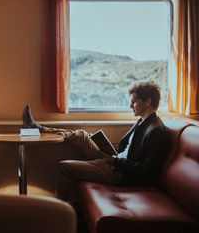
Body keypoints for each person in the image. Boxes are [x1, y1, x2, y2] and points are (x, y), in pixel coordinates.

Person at [22, 81, 170, 208]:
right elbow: (127, 148)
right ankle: (39, 129)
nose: (131, 105)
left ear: (148, 101)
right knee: (81, 135)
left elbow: (146, 171)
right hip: (116, 161)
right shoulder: (142, 121)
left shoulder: (156, 131)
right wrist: (109, 151)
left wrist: (115, 161)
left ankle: (59, 211)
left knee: (64, 167)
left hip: (119, 174)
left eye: (134, 101)